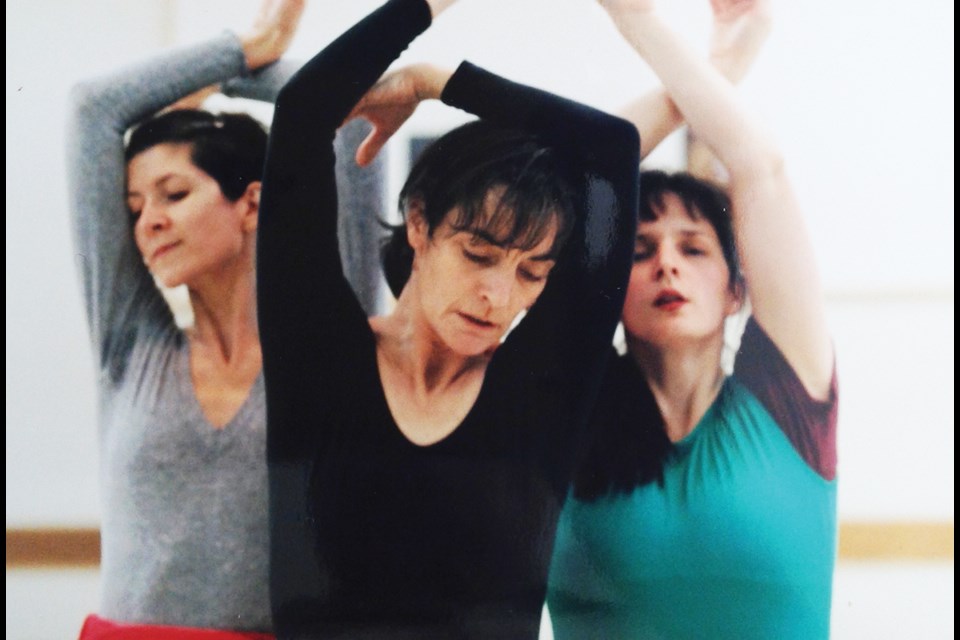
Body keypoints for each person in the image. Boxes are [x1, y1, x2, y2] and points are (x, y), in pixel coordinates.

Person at [255, 0, 640, 637]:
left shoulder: (545, 386)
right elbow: (302, 112)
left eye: (531, 273)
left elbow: (612, 147)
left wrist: (438, 81)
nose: (498, 295)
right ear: (420, 223)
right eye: (479, 254)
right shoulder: (316, 352)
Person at [65, 1, 386, 636]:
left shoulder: (324, 339)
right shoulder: (130, 340)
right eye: (133, 207)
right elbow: (91, 110)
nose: (147, 222)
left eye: (174, 195)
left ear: (251, 202)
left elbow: (357, 111)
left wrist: (244, 74)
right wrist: (244, 45)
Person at [546, 0, 839, 638]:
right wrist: (716, 65)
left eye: (693, 248)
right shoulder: (566, 408)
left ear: (737, 290)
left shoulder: (788, 395)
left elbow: (760, 168)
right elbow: (555, 188)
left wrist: (646, 23)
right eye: (642, 251)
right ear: (611, 289)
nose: (667, 267)